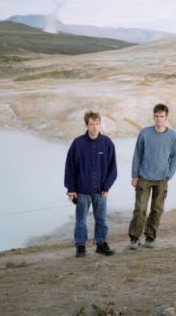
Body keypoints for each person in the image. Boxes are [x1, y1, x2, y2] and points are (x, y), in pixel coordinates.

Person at [64, 111, 117, 258]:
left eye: (97, 124)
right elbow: (70, 167)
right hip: (82, 190)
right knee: (81, 220)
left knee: (101, 219)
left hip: (100, 191)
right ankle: (80, 246)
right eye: (91, 124)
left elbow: (113, 168)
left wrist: (107, 187)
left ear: (100, 124)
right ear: (86, 125)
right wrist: (71, 189)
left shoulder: (107, 143)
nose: (94, 127)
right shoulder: (78, 143)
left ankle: (101, 244)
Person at [128, 103, 176, 249]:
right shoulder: (145, 133)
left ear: (166, 118)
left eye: (162, 116)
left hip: (162, 179)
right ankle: (134, 238)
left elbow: (175, 157)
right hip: (144, 177)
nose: (159, 119)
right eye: (156, 116)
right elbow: (137, 155)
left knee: (157, 209)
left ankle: (150, 237)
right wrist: (134, 175)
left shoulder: (172, 136)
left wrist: (169, 174)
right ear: (153, 116)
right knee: (140, 209)